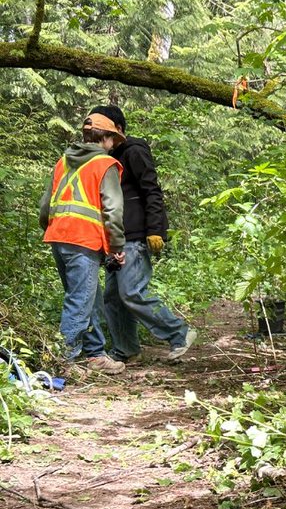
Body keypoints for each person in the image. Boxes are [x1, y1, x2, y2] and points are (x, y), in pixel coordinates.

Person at [84, 106, 197, 363]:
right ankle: (126, 349)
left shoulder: (133, 150)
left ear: (118, 129)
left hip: (135, 236)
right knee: (113, 298)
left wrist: (156, 229)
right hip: (117, 239)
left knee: (132, 292)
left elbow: (152, 191)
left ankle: (180, 332)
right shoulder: (104, 158)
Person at [40, 121, 127, 376]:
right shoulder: (105, 164)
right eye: (114, 140)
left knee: (89, 297)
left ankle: (96, 354)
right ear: (107, 138)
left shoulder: (63, 161)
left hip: (59, 236)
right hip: (84, 240)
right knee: (79, 301)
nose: (114, 146)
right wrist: (116, 246)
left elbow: (45, 205)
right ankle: (62, 363)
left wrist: (55, 228)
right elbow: (113, 211)